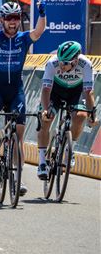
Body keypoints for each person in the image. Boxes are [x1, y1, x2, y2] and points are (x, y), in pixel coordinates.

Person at [0, 1, 46, 196]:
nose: (12, 22)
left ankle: (18, 178)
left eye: (16, 18)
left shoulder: (23, 38)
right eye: (8, 18)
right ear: (2, 20)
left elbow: (39, 31)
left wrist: (42, 13)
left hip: (16, 90)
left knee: (18, 139)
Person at [36, 41, 97, 179]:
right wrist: (45, 110)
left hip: (76, 91)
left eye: (66, 63)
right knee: (46, 119)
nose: (62, 66)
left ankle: (71, 149)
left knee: (81, 115)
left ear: (75, 60)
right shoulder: (52, 63)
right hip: (55, 91)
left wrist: (92, 114)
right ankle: (41, 162)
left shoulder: (86, 64)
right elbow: (46, 90)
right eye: (61, 62)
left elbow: (88, 92)